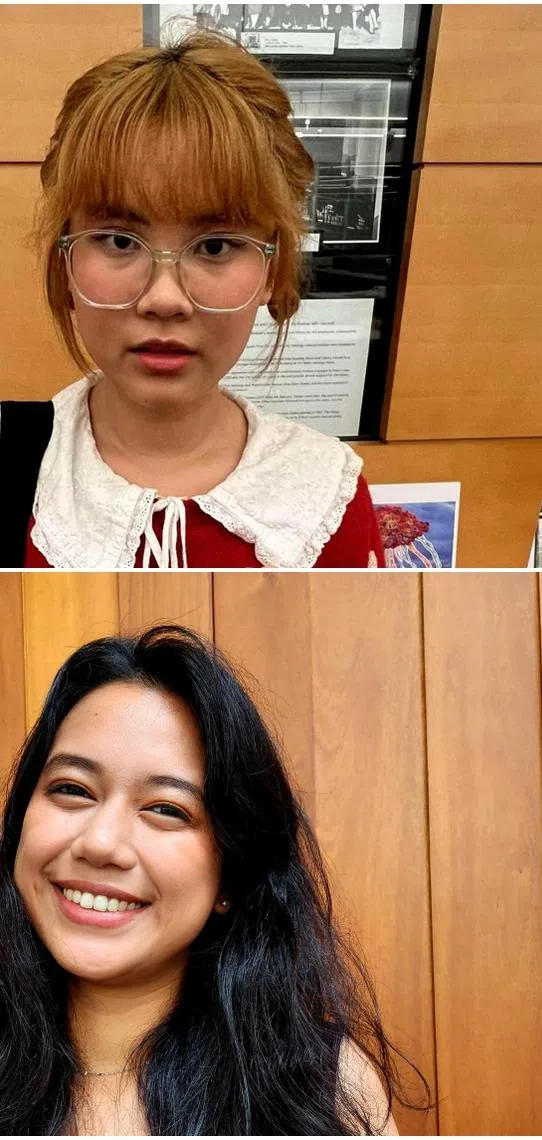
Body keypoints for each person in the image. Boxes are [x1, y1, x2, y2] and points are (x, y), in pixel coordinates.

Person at [0, 625, 427, 1134]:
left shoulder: (321, 1086)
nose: (101, 843)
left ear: (231, 875)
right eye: (72, 789)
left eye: (167, 809)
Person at [0, 30, 384, 567]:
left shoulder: (326, 500)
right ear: (66, 260)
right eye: (119, 241)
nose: (165, 299)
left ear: (272, 269)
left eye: (215, 245)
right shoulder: (16, 463)